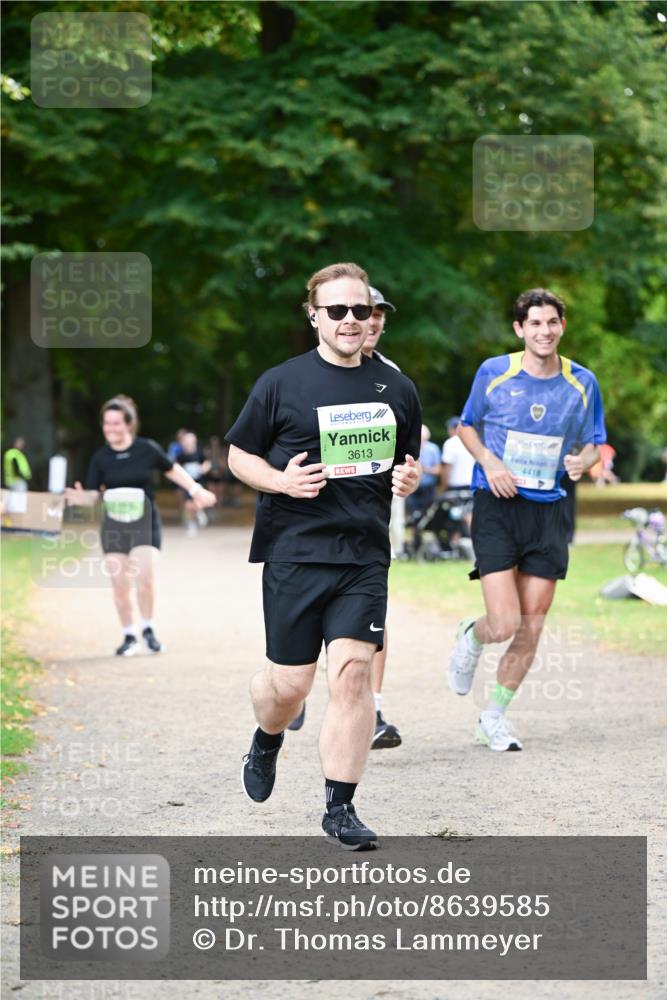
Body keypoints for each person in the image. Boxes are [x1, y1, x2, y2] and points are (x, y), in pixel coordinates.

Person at [226, 262, 422, 850]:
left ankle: (340, 807)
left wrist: (409, 479)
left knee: (354, 674)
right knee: (289, 685)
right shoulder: (281, 383)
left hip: (363, 555)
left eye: (359, 310)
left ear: (372, 315)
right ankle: (267, 737)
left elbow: (405, 463)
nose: (349, 321)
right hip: (295, 551)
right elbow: (240, 455)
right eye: (335, 311)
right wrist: (281, 483)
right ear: (314, 315)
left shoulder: (397, 388)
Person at [447, 288, 606, 751]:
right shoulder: (495, 372)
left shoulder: (582, 382)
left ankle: (493, 716)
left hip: (550, 508)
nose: (544, 331)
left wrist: (584, 462)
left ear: (563, 326)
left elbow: (594, 441)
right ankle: (472, 636)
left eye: (552, 322)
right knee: (504, 622)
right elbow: (466, 425)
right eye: (534, 323)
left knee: (531, 623)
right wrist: (491, 463)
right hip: (498, 504)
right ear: (520, 329)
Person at [65, 396, 216, 656]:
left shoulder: (146, 449)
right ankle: (129, 635)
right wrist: (82, 499)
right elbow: (92, 495)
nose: (110, 428)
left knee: (144, 580)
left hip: (144, 523)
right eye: (106, 424)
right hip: (114, 526)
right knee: (120, 584)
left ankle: (148, 629)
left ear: (128, 424)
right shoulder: (100, 458)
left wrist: (195, 489)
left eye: (116, 423)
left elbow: (173, 469)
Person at [178, 431, 212, 536]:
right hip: (187, 483)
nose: (188, 443)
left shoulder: (199, 452)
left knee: (198, 501)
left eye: (191, 441)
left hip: (199, 482)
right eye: (187, 441)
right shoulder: (181, 455)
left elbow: (207, 463)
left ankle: (200, 513)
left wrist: (204, 468)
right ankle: (192, 524)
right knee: (188, 505)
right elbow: (176, 467)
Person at [407, 425, 441, 517]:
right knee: (413, 513)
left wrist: (425, 469)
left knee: (428, 514)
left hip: (428, 487)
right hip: (413, 486)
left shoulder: (433, 449)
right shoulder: (410, 448)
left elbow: (438, 470)